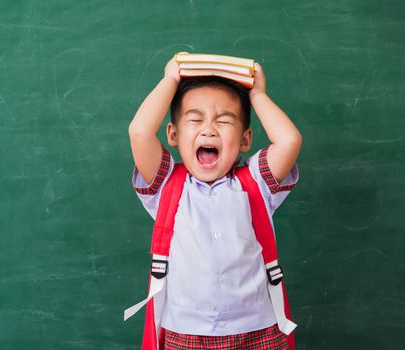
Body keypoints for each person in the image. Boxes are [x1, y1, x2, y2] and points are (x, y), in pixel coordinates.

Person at [127, 53, 302, 349]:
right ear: (172, 134)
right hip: (184, 333)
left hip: (258, 329)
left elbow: (289, 141)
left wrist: (257, 94)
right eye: (194, 119)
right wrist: (170, 80)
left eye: (224, 121)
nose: (208, 129)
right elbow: (140, 131)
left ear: (245, 140)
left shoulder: (256, 183)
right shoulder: (167, 185)